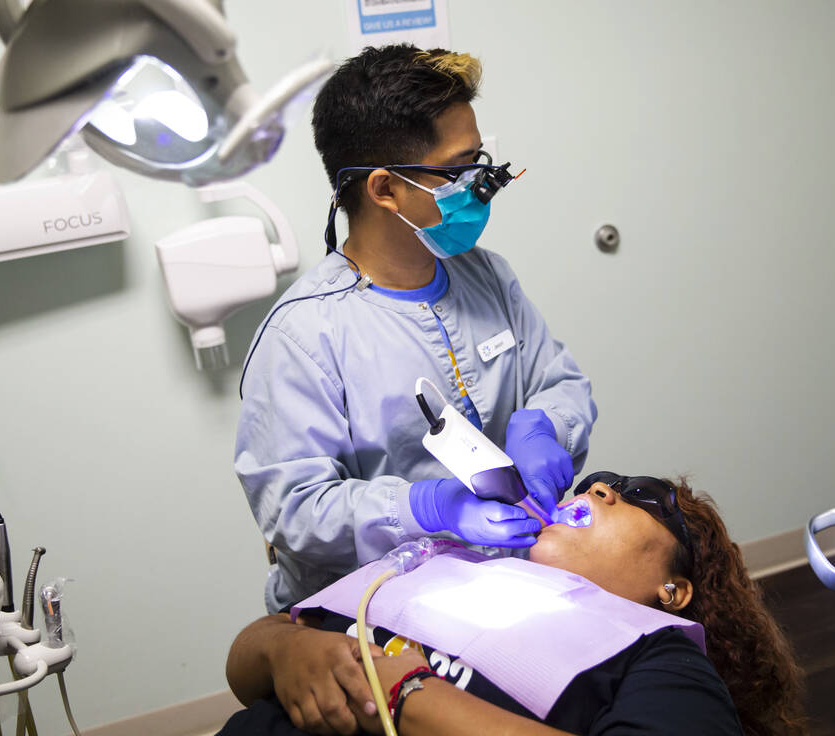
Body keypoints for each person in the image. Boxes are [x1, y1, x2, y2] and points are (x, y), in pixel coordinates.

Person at [178, 473, 805, 736]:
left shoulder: (658, 650)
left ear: (675, 589)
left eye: (645, 499)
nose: (599, 489)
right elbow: (246, 666)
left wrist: (404, 692)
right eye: (597, 481)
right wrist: (283, 648)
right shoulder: (438, 564)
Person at [235, 45, 596, 614]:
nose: (481, 186)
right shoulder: (304, 336)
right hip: (376, 613)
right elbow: (294, 510)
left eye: (481, 163)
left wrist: (544, 425)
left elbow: (561, 381)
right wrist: (427, 508)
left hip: (512, 588)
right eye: (458, 171)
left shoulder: (488, 277)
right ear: (384, 189)